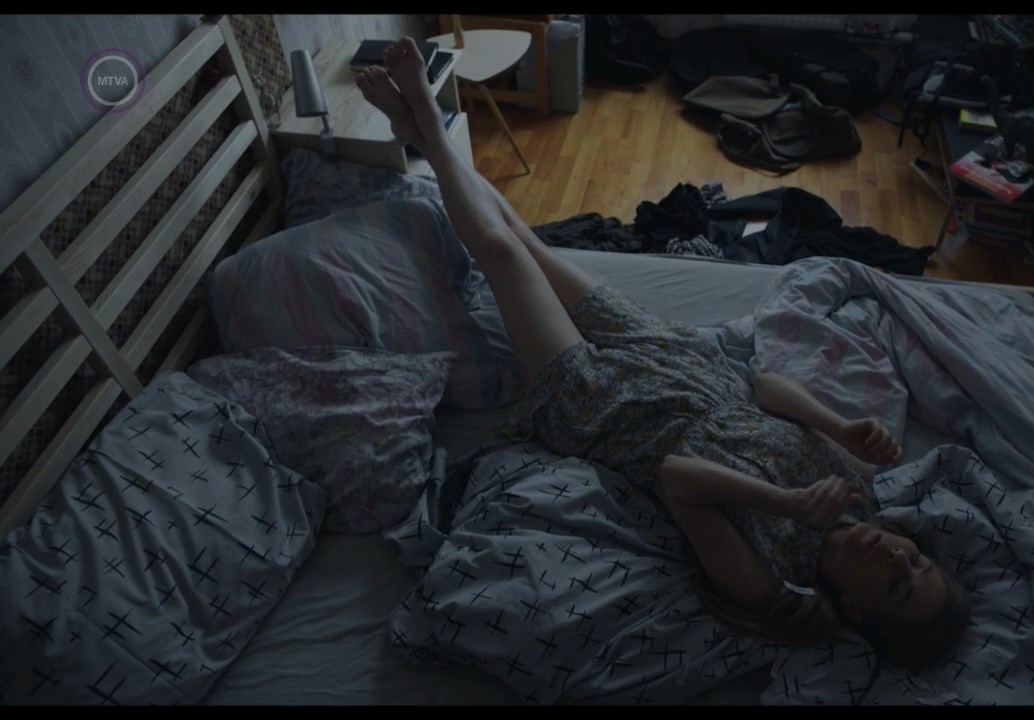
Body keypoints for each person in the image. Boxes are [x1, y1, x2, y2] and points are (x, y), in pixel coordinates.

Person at [356, 39, 969, 672]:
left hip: (609, 410)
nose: (897, 557)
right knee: (532, 246)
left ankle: (427, 124)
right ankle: (422, 135)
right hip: (684, 365)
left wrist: (786, 503)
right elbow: (763, 387)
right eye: (916, 561)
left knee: (503, 256)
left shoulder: (773, 583)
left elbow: (679, 479)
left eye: (897, 584)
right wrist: (839, 426)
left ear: (860, 614)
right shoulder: (860, 493)